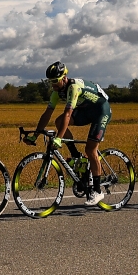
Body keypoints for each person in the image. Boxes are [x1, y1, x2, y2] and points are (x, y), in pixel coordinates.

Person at [27, 61, 111, 206]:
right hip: (86, 110)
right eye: (50, 81)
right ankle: (76, 156)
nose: (53, 84)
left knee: (91, 150)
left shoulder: (73, 87)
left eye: (55, 81)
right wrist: (36, 134)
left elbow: (68, 113)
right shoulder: (56, 92)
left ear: (64, 77)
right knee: (58, 121)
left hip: (100, 111)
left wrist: (59, 138)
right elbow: (47, 113)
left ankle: (97, 191)